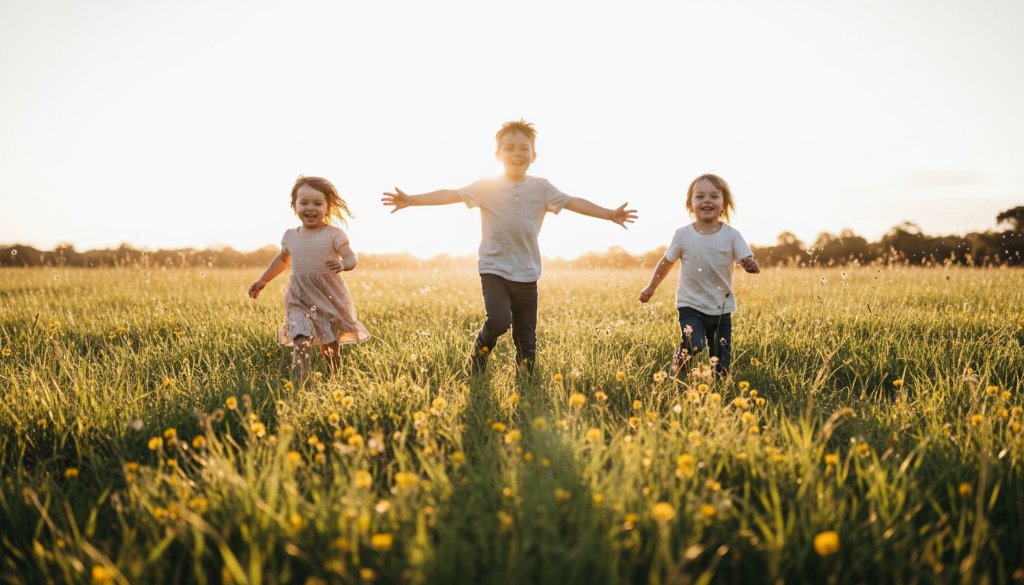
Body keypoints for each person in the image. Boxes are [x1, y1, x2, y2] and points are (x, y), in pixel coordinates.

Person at [382, 119, 637, 374]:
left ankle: (525, 380)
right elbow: (451, 194)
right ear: (498, 154)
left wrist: (609, 214)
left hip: (527, 271)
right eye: (510, 148)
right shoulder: (486, 186)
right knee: (499, 321)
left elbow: (573, 202)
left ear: (533, 155)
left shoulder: (542, 187)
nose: (517, 153)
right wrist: (412, 200)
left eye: (524, 148)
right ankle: (477, 359)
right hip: (494, 268)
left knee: (526, 338)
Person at [249, 176, 370, 385]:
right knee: (301, 340)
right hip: (299, 297)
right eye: (304, 202)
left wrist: (343, 265)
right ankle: (299, 385)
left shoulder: (334, 234)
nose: (310, 208)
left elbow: (352, 257)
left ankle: (333, 382)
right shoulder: (290, 236)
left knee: (329, 347)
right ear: (294, 205)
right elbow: (282, 260)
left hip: (328, 296)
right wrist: (263, 280)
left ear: (328, 206)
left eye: (317, 203)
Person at [638, 173, 759, 378]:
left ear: (724, 203)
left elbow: (745, 257)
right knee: (695, 343)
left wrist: (750, 264)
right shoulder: (683, 235)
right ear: (690, 204)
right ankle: (678, 370)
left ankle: (718, 394)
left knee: (721, 365)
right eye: (700, 196)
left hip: (721, 308)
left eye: (714, 196)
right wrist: (651, 287)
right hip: (690, 304)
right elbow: (667, 262)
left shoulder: (731, 235)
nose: (706, 201)